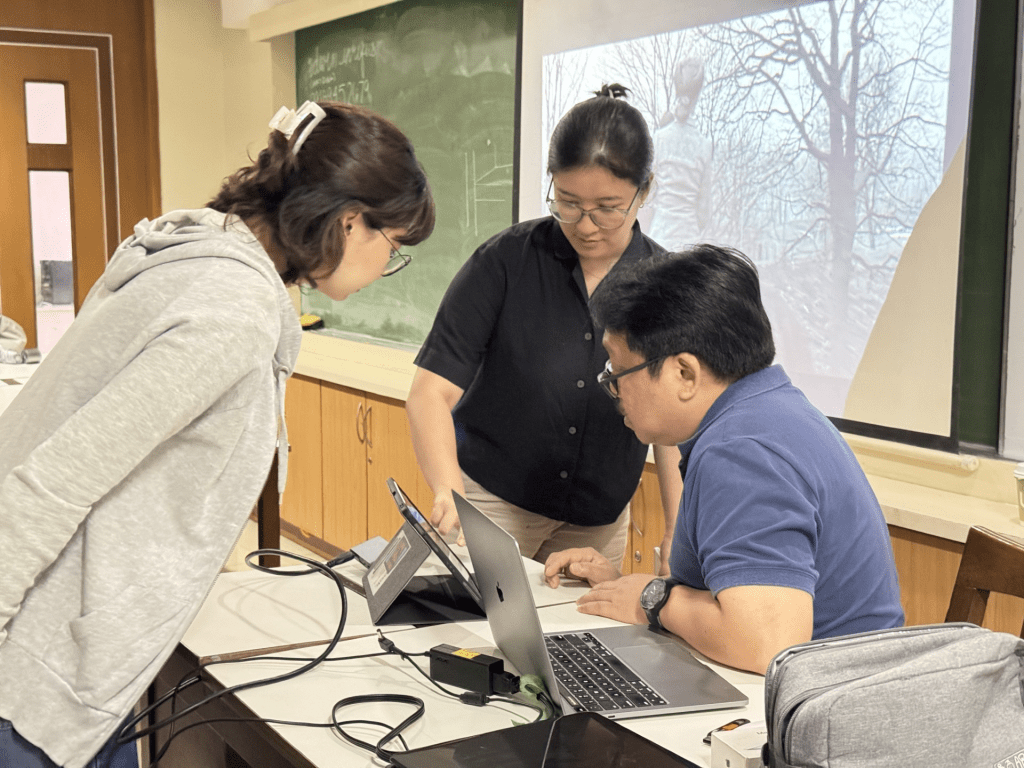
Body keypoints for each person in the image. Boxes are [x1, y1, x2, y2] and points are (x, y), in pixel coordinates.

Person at [0, 100, 434, 768]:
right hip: (37, 681)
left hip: (61, 654)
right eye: (394, 249)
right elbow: (55, 483)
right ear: (351, 222)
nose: (386, 267)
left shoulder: (194, 255)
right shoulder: (230, 311)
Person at [544, 245, 904, 675]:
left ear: (685, 374)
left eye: (617, 373)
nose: (613, 391)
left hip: (824, 700)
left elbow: (766, 645)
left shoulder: (741, 453)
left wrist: (652, 599)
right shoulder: (768, 411)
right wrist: (628, 590)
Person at [406, 84, 682, 568]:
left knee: (580, 621)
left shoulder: (666, 284)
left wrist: (679, 528)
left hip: (597, 520)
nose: (586, 225)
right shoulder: (505, 261)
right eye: (568, 203)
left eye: (608, 208)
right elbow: (430, 392)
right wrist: (449, 490)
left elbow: (673, 428)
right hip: (493, 502)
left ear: (644, 192)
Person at [647, 58, 714, 251]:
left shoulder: (659, 139)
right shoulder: (704, 146)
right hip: (689, 240)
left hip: (659, 237)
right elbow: (704, 210)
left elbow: (648, 195)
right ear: (697, 96)